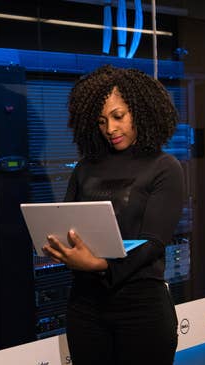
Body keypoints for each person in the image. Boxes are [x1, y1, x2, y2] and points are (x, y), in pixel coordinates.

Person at [40, 65, 184, 365]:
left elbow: (153, 242)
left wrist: (100, 264)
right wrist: (58, 247)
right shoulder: (85, 169)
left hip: (141, 308)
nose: (110, 129)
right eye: (102, 121)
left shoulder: (165, 167)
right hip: (85, 308)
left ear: (141, 112)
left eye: (118, 117)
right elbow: (67, 222)